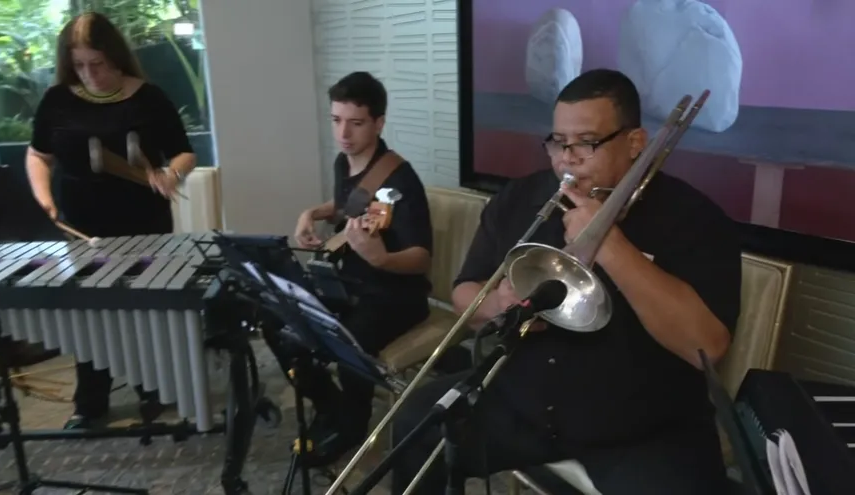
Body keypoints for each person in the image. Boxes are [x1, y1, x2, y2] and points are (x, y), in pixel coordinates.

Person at [390, 69, 742, 494]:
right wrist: (499, 303)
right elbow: (464, 292)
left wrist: (612, 246)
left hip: (643, 428)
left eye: (587, 143)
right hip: (521, 403)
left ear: (635, 143)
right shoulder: (520, 198)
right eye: (558, 142)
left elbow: (707, 346)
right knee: (415, 423)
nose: (567, 159)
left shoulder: (694, 218)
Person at [25, 12, 197, 430]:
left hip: (143, 221)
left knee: (144, 309)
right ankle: (91, 402)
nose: (89, 74)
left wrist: (170, 175)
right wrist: (44, 199)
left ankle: (153, 389)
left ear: (115, 57)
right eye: (79, 65)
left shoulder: (148, 98)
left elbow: (184, 152)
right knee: (89, 312)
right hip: (82, 222)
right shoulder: (58, 100)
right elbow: (39, 155)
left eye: (97, 64)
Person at [279, 71, 433, 465]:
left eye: (356, 123)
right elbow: (348, 205)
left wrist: (381, 258)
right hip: (348, 283)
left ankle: (352, 428)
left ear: (379, 123)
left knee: (349, 345)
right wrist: (312, 213)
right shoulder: (343, 162)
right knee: (282, 323)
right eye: (336, 120)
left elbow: (422, 257)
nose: (343, 133)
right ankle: (331, 407)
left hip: (395, 295)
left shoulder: (401, 180)